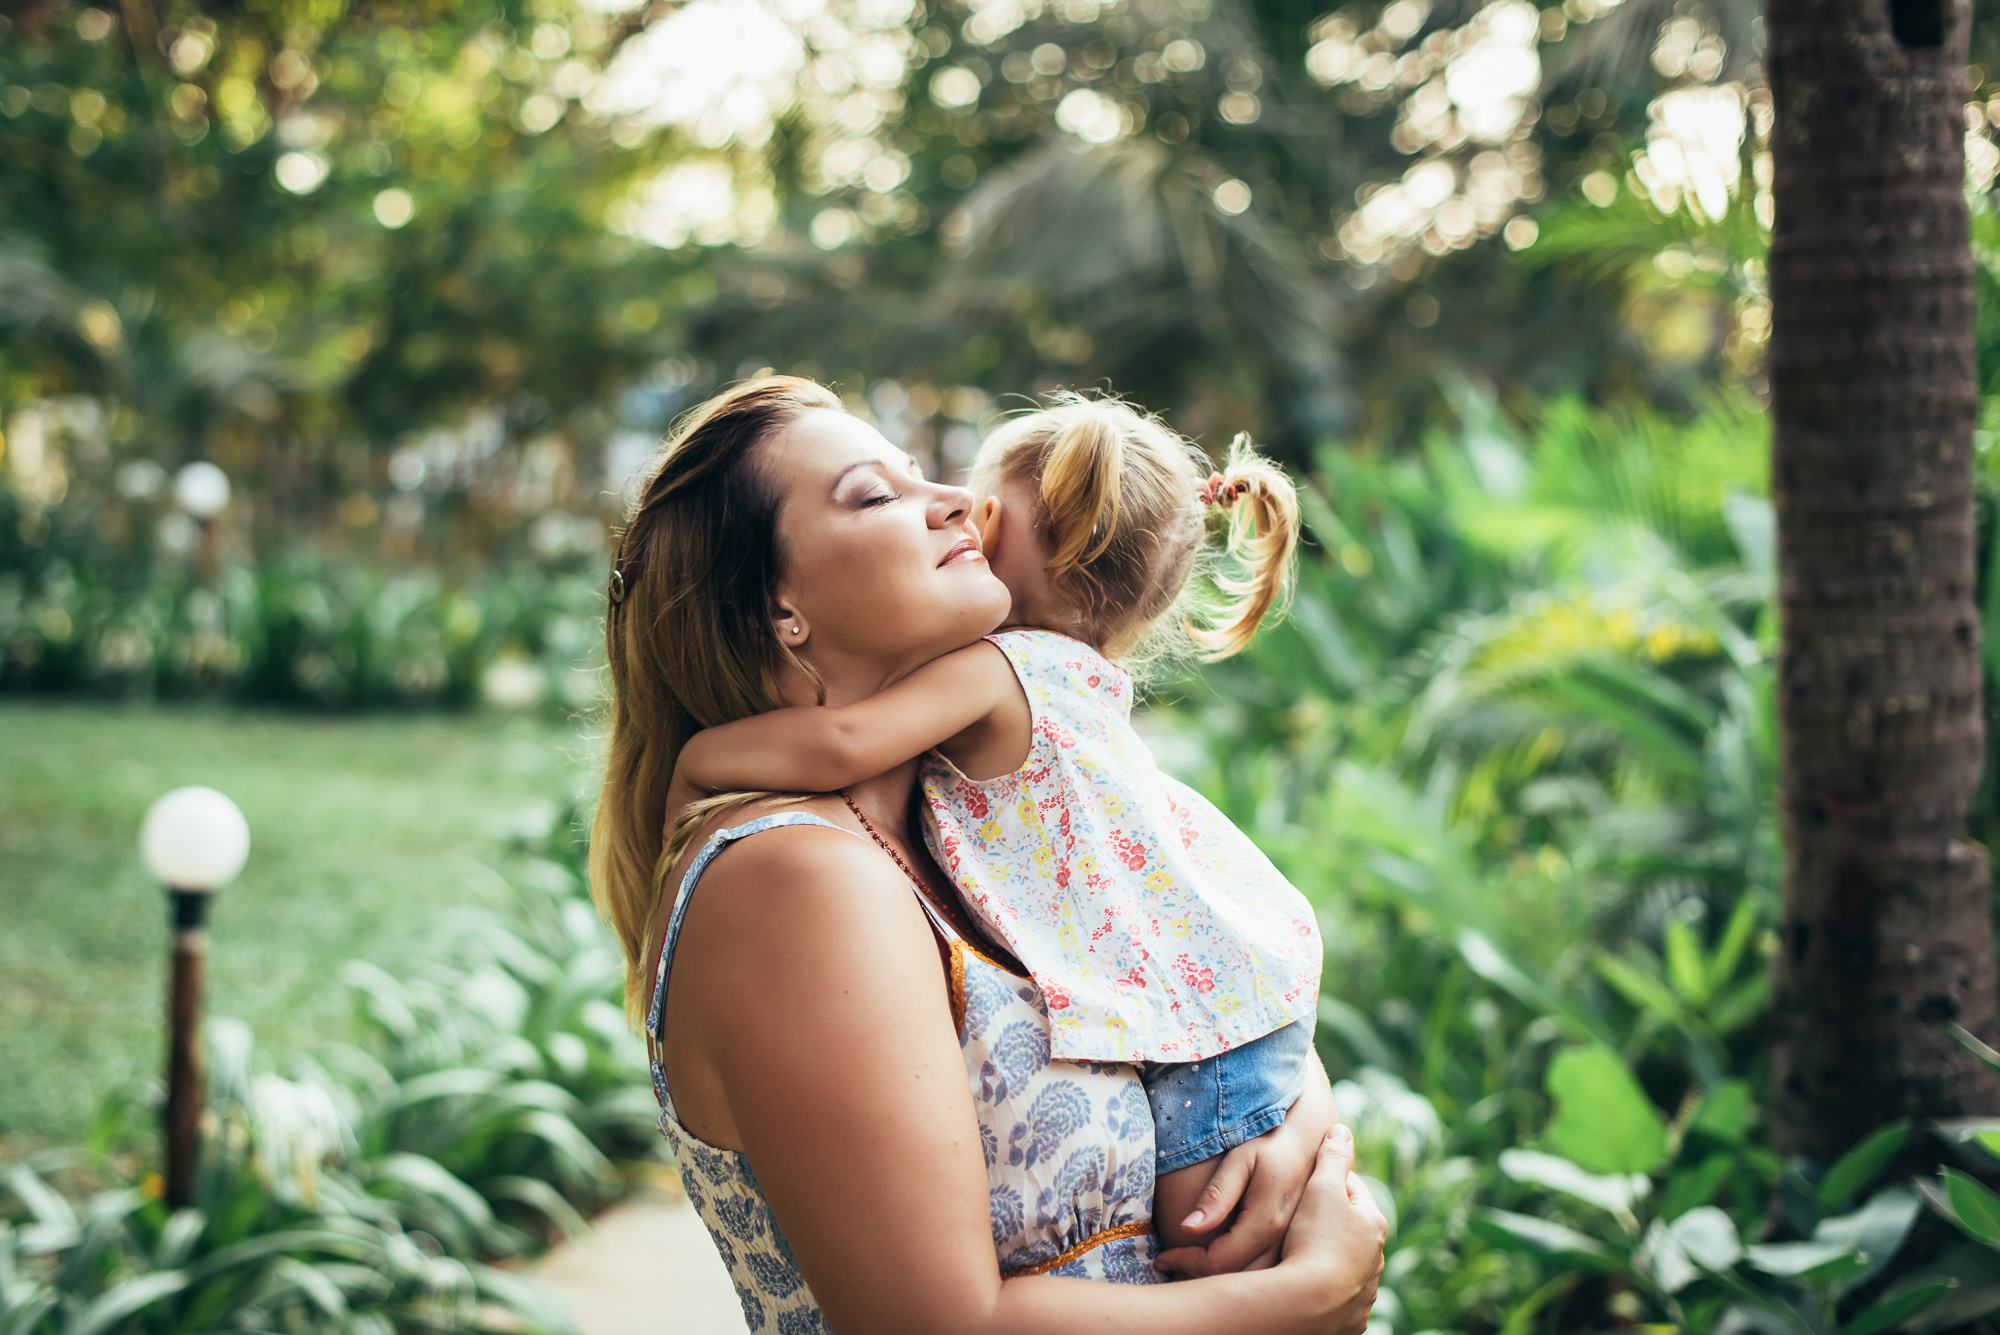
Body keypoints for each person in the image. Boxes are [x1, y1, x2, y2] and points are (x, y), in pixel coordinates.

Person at [590, 377, 1387, 1331]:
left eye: (923, 473)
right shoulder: (792, 876)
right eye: (874, 494)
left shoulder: (979, 831)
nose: (955, 503)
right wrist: (1309, 1290)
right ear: (779, 608)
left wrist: (1293, 1114)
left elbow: (1182, 974)